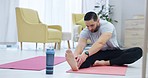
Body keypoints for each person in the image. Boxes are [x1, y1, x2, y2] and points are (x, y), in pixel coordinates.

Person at [65, 12, 143, 71]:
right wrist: (76, 56)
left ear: (98, 21)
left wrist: (86, 54)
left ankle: (106, 63)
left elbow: (100, 43)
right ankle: (75, 64)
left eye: (92, 25)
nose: (89, 28)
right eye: (87, 26)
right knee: (83, 60)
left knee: (138, 51)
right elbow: (80, 45)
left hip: (114, 52)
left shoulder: (107, 26)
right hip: (99, 53)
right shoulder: (86, 31)